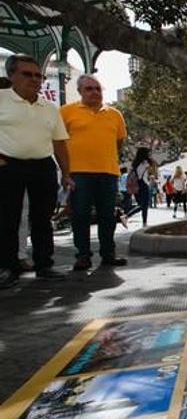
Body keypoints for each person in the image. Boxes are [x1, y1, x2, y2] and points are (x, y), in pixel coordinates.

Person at [1, 54, 74, 288]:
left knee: (43, 218)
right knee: (8, 219)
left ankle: (45, 265)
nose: (34, 79)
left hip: (43, 165)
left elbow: (60, 143)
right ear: (11, 76)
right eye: (27, 74)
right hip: (9, 165)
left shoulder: (50, 108)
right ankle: (8, 267)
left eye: (38, 75)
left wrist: (66, 173)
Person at [60, 75, 129, 270]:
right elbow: (57, 142)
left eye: (98, 89)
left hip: (108, 172)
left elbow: (118, 142)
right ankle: (83, 256)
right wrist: (65, 172)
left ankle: (108, 254)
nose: (94, 93)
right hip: (78, 173)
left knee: (108, 215)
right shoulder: (66, 112)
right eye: (89, 89)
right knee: (80, 215)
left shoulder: (115, 114)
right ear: (80, 91)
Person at [126, 147, 156, 226]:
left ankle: (144, 223)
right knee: (144, 205)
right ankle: (127, 216)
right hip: (143, 184)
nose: (149, 154)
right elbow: (152, 163)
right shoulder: (145, 163)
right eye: (148, 153)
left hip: (137, 185)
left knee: (142, 205)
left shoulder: (135, 163)